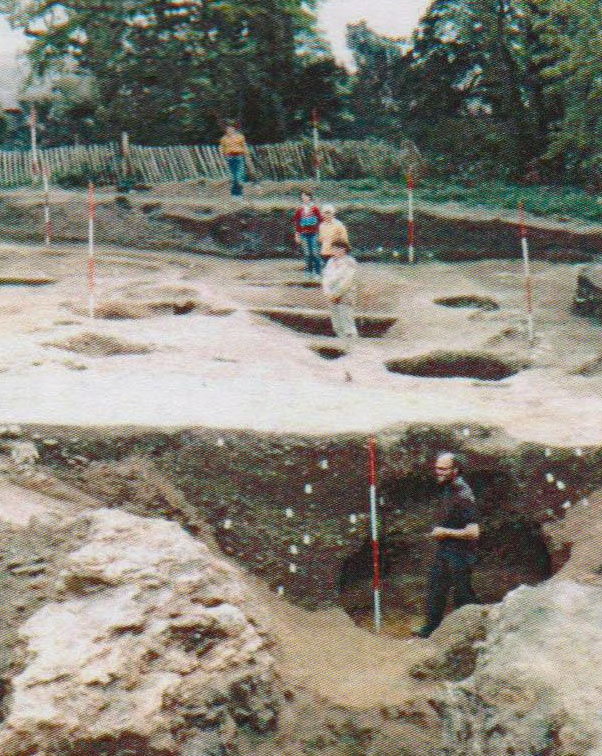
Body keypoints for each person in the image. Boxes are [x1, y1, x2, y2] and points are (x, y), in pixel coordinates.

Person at [413, 452, 480, 638]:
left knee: (463, 595)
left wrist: (445, 532)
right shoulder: (449, 488)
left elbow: (474, 532)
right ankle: (430, 630)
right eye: (436, 468)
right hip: (446, 550)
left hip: (462, 553)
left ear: (455, 470)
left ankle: (471, 633)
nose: (438, 472)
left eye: (443, 469)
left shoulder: (464, 495)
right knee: (436, 589)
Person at [322, 239, 359, 345]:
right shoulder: (330, 261)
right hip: (330, 295)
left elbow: (347, 280)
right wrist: (328, 293)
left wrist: (336, 294)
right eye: (334, 248)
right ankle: (342, 343)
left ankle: (351, 345)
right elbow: (325, 277)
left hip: (345, 294)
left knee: (346, 321)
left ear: (345, 249)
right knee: (336, 323)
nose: (336, 251)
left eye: (339, 248)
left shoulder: (349, 262)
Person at [293, 190, 323, 279]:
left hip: (314, 233)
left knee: (315, 253)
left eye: (306, 196)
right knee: (307, 253)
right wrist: (297, 234)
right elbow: (297, 223)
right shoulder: (299, 209)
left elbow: (320, 221)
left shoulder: (315, 208)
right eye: (302, 196)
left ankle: (318, 272)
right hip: (304, 234)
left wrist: (320, 233)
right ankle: (309, 272)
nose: (304, 198)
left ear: (310, 197)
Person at [219, 122, 249, 196]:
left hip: (239, 156)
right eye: (228, 129)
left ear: (234, 129)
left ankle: (240, 191)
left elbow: (244, 146)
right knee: (233, 177)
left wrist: (246, 154)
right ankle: (235, 194)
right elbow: (222, 148)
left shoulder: (240, 137)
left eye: (231, 129)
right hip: (229, 157)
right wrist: (222, 157)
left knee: (239, 175)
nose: (229, 131)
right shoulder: (224, 139)